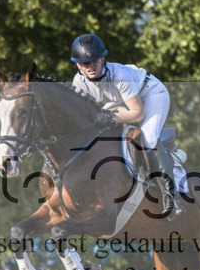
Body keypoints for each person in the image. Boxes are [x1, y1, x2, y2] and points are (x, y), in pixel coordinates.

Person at [69, 33, 183, 216]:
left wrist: (109, 118)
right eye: (84, 64)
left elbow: (138, 113)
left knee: (148, 137)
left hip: (150, 94)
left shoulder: (120, 75)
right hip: (120, 101)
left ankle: (171, 196)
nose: (90, 67)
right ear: (77, 65)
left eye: (94, 61)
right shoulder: (79, 83)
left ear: (103, 58)